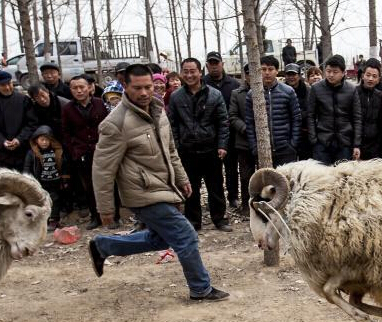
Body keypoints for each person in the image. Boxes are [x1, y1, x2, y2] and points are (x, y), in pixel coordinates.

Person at [88, 64, 229, 302]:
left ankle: (103, 247)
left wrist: (182, 178)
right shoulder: (116, 123)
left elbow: (170, 150)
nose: (144, 93)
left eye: (148, 87)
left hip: (164, 187)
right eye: (137, 88)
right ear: (125, 87)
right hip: (142, 192)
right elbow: (102, 169)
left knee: (162, 238)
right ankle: (200, 289)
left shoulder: (158, 111)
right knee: (186, 236)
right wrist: (105, 208)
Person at [169, 58, 231, 232]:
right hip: (187, 150)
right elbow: (172, 124)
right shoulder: (176, 97)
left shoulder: (214, 94)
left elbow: (223, 122)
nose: (189, 75)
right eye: (185, 71)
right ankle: (193, 221)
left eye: (192, 71)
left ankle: (219, 219)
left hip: (211, 148)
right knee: (190, 188)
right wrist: (177, 147)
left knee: (216, 186)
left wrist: (222, 145)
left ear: (200, 72)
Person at [61, 74, 113, 230]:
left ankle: (113, 216)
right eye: (74, 88)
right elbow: (66, 132)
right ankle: (95, 217)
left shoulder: (100, 103)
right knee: (89, 186)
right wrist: (74, 151)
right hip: (82, 153)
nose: (79, 91)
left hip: (103, 150)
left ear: (90, 88)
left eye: (82, 87)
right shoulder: (68, 109)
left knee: (109, 183)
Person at [244, 55, 302, 166]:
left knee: (287, 182)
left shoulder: (288, 91)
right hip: (263, 150)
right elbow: (250, 123)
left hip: (285, 149)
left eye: (270, 69)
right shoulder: (252, 94)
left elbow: (296, 118)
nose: (267, 73)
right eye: (263, 69)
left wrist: (293, 144)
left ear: (276, 71)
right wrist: (255, 147)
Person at [204, 50, 241, 209]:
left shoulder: (234, 84)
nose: (214, 67)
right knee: (213, 171)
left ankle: (233, 197)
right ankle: (216, 200)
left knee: (232, 169)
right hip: (210, 135)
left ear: (222, 64)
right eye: (211, 64)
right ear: (207, 66)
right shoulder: (202, 84)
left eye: (216, 63)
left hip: (231, 134)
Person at [0, 70, 36, 171]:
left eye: (9, 83)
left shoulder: (24, 100)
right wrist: (2, 141)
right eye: (3, 85)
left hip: (23, 150)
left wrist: (19, 139)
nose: (7, 88)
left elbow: (32, 123)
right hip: (1, 153)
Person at [308, 54, 356, 165]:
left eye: (335, 72)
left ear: (343, 73)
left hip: (344, 142)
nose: (330, 75)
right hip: (322, 142)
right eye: (328, 71)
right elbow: (311, 115)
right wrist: (313, 139)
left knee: (342, 178)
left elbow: (356, 117)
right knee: (322, 177)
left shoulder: (351, 89)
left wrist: (356, 143)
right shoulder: (316, 88)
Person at [23, 125, 66, 231]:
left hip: (55, 181)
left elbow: (64, 165)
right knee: (41, 201)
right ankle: (43, 221)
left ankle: (54, 220)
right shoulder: (32, 153)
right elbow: (27, 167)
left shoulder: (56, 151)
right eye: (42, 140)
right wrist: (27, 179)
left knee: (55, 200)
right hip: (40, 182)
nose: (44, 142)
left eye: (47, 140)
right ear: (36, 140)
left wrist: (65, 179)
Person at [226, 63, 253, 216]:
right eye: (248, 73)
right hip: (244, 142)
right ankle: (246, 206)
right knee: (245, 176)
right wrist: (246, 129)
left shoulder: (268, 91)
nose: (251, 76)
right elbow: (232, 116)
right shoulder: (237, 93)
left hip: (266, 142)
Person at [352, 59, 382, 160]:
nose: (370, 79)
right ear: (362, 76)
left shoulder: (381, 96)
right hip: (357, 144)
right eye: (368, 75)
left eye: (374, 76)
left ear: (378, 79)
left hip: (376, 146)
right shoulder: (353, 93)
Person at [283, 63, 313, 160]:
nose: (291, 77)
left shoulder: (308, 90)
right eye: (288, 75)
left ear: (299, 75)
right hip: (287, 133)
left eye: (294, 74)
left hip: (305, 133)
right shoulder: (281, 90)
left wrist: (296, 115)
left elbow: (310, 110)